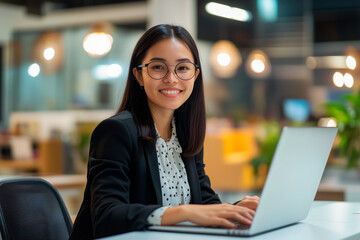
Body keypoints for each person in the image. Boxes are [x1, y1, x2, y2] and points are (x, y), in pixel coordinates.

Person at [70, 24, 259, 239]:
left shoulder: (186, 133)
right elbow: (107, 217)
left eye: (183, 68)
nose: (171, 78)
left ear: (195, 75)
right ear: (139, 75)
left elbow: (204, 202)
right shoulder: (116, 132)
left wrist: (237, 209)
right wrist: (182, 212)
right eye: (158, 67)